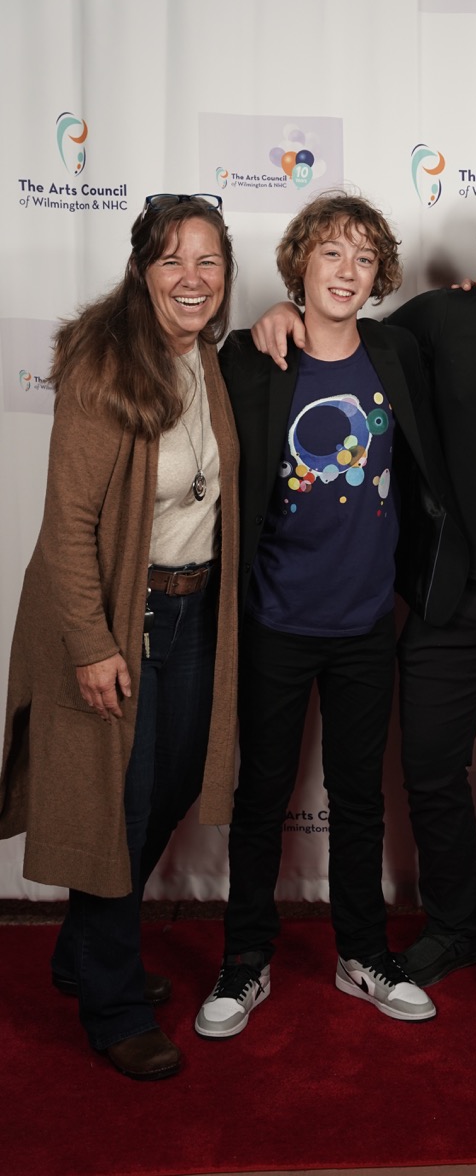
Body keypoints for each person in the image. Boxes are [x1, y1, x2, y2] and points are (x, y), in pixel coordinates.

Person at [250, 167, 476, 1025]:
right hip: (445, 601)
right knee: (428, 773)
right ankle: (454, 927)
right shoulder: (444, 318)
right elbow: (344, 338)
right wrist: (278, 315)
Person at [194, 193, 467, 1040]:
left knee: (357, 799)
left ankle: (362, 954)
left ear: (379, 275)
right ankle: (246, 959)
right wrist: (270, 321)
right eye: (330, 255)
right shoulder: (252, 358)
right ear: (300, 267)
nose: (347, 272)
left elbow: (467, 328)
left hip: (365, 625)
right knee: (261, 795)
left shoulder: (396, 351)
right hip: (275, 620)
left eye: (363, 258)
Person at [0, 194, 240, 1080]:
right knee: (116, 810)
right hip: (115, 617)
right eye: (172, 260)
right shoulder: (107, 364)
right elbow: (67, 525)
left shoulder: (205, 357)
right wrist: (93, 646)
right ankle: (112, 1006)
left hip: (194, 609)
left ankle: (81, 950)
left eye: (208, 261)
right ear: (142, 270)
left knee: (172, 785)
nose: (192, 278)